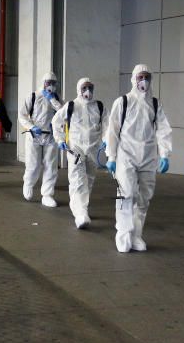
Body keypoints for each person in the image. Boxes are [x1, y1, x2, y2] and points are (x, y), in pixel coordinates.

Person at [104, 64, 172, 252]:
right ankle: (123, 235)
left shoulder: (155, 104)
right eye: (140, 77)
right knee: (126, 195)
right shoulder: (123, 102)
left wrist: (164, 154)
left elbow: (163, 130)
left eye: (147, 77)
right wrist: (111, 156)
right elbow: (113, 130)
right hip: (126, 155)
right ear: (134, 79)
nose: (144, 81)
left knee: (144, 198)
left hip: (148, 157)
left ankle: (136, 235)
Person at [51, 78, 106, 229]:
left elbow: (106, 125)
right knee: (77, 181)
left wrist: (107, 141)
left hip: (93, 150)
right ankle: (80, 214)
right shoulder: (71, 106)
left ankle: (82, 208)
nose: (87, 91)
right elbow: (56, 122)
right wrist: (60, 139)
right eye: (84, 88)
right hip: (75, 149)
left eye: (90, 87)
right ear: (78, 89)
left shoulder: (99, 106)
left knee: (89, 181)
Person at [19, 71, 62, 207]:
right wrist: (31, 126)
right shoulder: (33, 96)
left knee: (51, 165)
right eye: (48, 83)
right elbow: (22, 115)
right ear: (43, 83)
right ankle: (28, 184)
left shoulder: (56, 98)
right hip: (35, 136)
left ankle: (47, 194)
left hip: (50, 136)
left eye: (53, 83)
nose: (51, 86)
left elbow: (63, 112)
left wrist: (52, 100)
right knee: (33, 164)